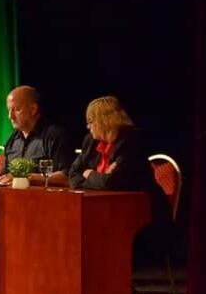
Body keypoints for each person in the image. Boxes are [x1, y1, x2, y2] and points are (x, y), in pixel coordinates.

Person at [68, 96, 171, 262]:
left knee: (93, 239)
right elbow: (73, 175)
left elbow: (113, 183)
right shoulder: (90, 141)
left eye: (90, 121)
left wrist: (90, 174)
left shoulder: (133, 141)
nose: (88, 126)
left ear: (104, 120)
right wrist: (100, 177)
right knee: (76, 233)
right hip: (105, 215)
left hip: (140, 219)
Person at [0, 85, 72, 184]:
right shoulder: (12, 140)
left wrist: (26, 178)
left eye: (16, 109)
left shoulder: (54, 136)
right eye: (9, 110)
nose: (10, 116)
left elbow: (66, 177)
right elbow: (7, 174)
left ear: (33, 109)